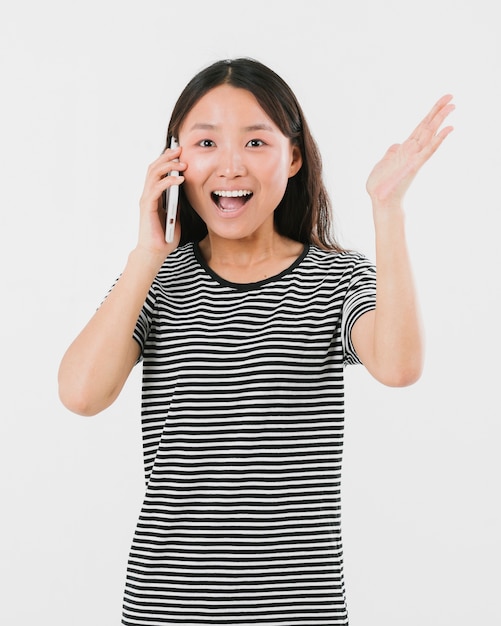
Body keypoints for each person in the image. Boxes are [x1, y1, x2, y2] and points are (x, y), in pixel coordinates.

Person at [58, 58, 454, 625]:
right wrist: (146, 255)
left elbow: (397, 365)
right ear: (175, 161)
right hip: (168, 609)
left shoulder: (334, 279)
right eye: (206, 143)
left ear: (292, 157)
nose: (231, 165)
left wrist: (386, 209)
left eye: (255, 142)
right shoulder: (155, 281)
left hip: (300, 613)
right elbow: (80, 395)